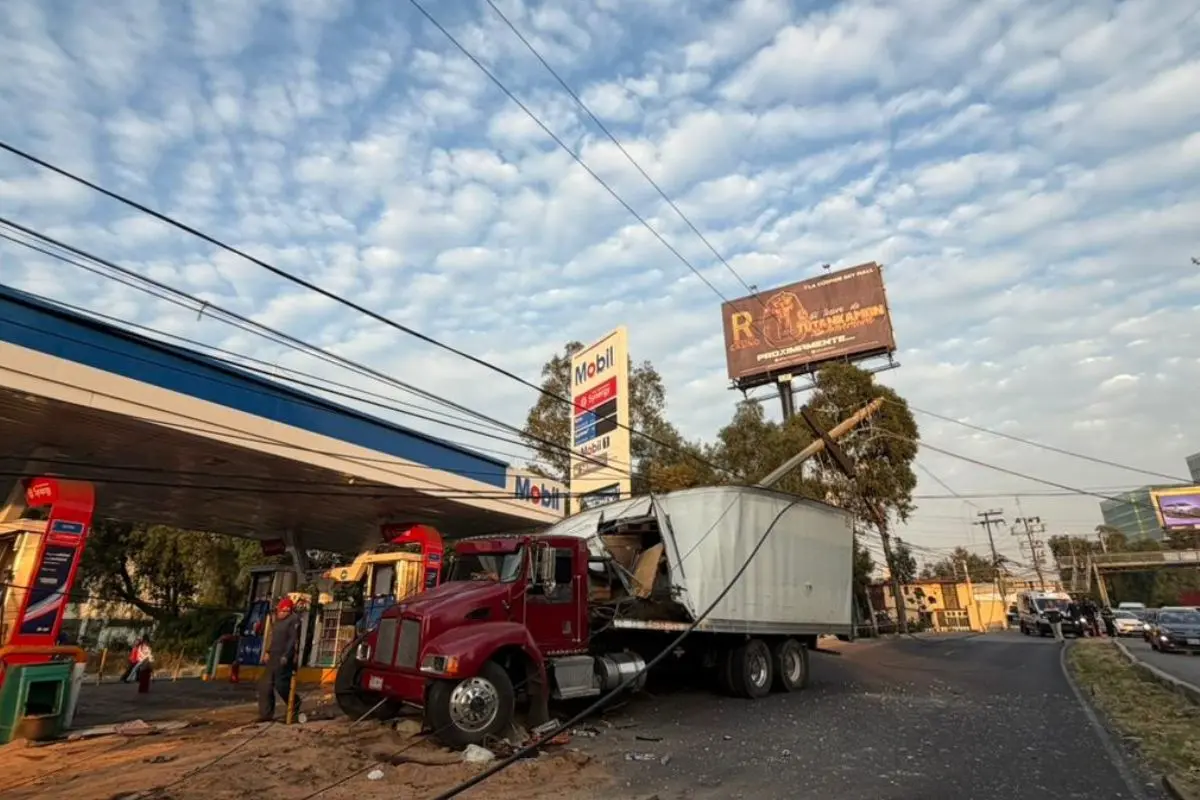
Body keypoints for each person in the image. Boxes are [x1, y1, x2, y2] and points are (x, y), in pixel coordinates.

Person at [257, 597, 302, 722]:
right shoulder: (277, 621)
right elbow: (275, 639)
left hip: (284, 657)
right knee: (265, 685)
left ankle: (295, 704)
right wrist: (267, 652)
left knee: (281, 684)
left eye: (283, 611)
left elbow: (293, 640)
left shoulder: (294, 620)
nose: (280, 613)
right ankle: (265, 714)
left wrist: (286, 656)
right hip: (274, 656)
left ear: (287, 611)